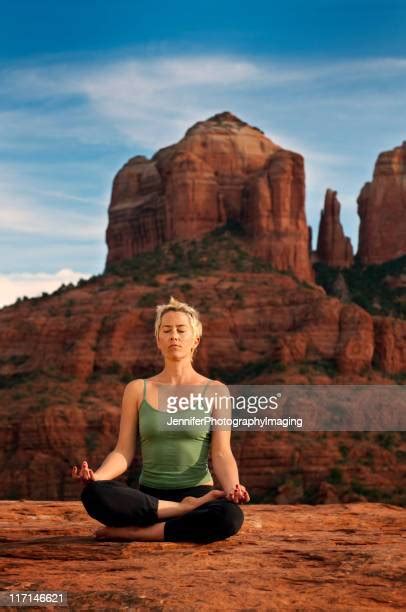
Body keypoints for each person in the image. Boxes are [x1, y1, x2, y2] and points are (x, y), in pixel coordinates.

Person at [72, 296, 249, 544]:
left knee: (229, 517)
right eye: (166, 330)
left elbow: (221, 453)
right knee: (94, 494)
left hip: (198, 494)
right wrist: (97, 478)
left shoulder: (216, 391)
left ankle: (139, 533)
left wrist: (233, 488)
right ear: (158, 340)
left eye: (181, 330)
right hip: (152, 499)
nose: (173, 336)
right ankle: (182, 512)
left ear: (195, 339)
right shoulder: (137, 389)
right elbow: (123, 452)